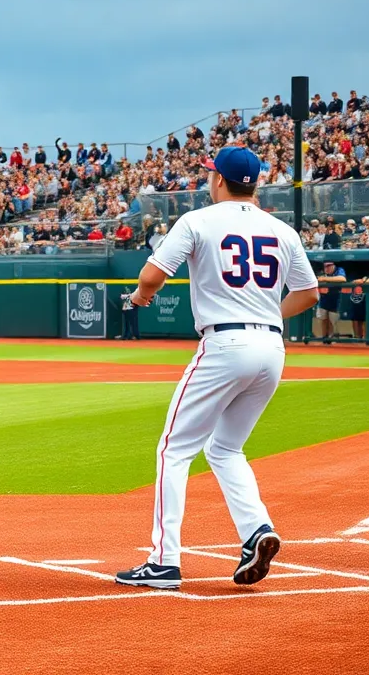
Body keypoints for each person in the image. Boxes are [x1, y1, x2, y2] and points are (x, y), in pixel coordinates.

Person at [115, 146, 319, 591]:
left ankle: (163, 561)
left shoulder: (198, 220)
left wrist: (138, 300)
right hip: (271, 346)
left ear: (219, 180)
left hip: (225, 342)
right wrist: (266, 319)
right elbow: (309, 294)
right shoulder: (282, 229)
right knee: (226, 449)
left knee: (174, 449)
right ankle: (257, 531)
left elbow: (151, 277)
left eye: (211, 175)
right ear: (256, 184)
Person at [314, 261, 346, 344]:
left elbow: (342, 279)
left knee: (332, 320)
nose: (327, 268)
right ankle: (324, 338)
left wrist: (325, 279)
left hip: (335, 300)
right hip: (323, 300)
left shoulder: (339, 270)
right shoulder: (321, 273)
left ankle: (331, 338)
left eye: (329, 266)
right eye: (325, 266)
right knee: (323, 319)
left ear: (333, 265)